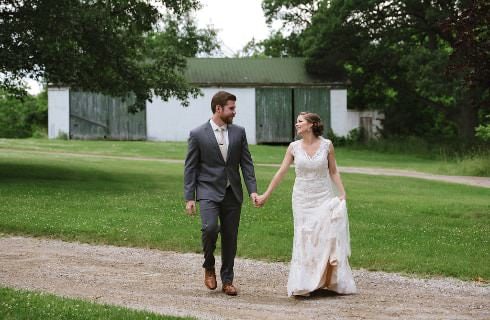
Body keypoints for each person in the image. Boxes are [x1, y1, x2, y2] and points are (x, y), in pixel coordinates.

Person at [255, 112, 357, 297]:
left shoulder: (327, 145)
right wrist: (266, 195)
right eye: (297, 122)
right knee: (304, 237)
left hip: (323, 196)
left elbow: (333, 171)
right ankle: (303, 283)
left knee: (323, 236)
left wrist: (342, 192)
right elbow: (281, 172)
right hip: (301, 198)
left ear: (311, 125)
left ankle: (324, 280)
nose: (296, 124)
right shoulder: (294, 147)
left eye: (300, 122)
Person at [184, 91, 258, 296]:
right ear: (219, 109)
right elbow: (190, 167)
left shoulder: (239, 132)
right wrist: (190, 197)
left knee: (230, 237)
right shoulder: (198, 134)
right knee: (209, 228)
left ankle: (227, 280)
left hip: (232, 192)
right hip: (208, 190)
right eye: (231, 108)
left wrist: (252, 190)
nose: (235, 112)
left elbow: (247, 163)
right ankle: (209, 266)